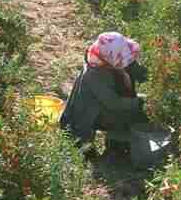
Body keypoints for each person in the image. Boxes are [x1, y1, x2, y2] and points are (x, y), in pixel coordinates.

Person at [60, 32, 149, 162]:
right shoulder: (94, 74)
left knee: (136, 107)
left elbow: (138, 70)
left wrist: (155, 78)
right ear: (110, 59)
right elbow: (114, 103)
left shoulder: (111, 55)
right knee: (130, 113)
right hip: (90, 114)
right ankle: (116, 145)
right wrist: (140, 102)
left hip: (106, 103)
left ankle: (119, 141)